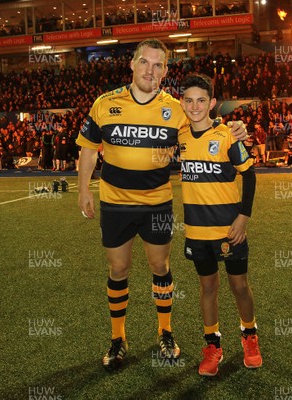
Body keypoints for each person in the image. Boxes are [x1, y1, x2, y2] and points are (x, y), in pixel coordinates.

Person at [76, 38, 247, 371]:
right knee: (119, 269)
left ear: (165, 70)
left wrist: (234, 128)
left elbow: (205, 124)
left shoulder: (176, 109)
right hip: (115, 203)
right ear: (133, 64)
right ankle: (118, 338)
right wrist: (83, 189)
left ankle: (165, 332)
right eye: (144, 62)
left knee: (160, 267)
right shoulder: (105, 103)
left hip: (156, 204)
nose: (150, 70)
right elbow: (88, 148)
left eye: (158, 65)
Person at [179, 73, 261, 376]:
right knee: (207, 286)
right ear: (182, 103)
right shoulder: (181, 135)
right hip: (196, 231)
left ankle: (249, 336)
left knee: (239, 285)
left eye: (201, 100)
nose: (195, 105)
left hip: (229, 229)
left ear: (212, 103)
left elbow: (249, 175)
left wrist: (243, 217)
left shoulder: (228, 135)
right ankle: (212, 345)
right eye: (189, 100)